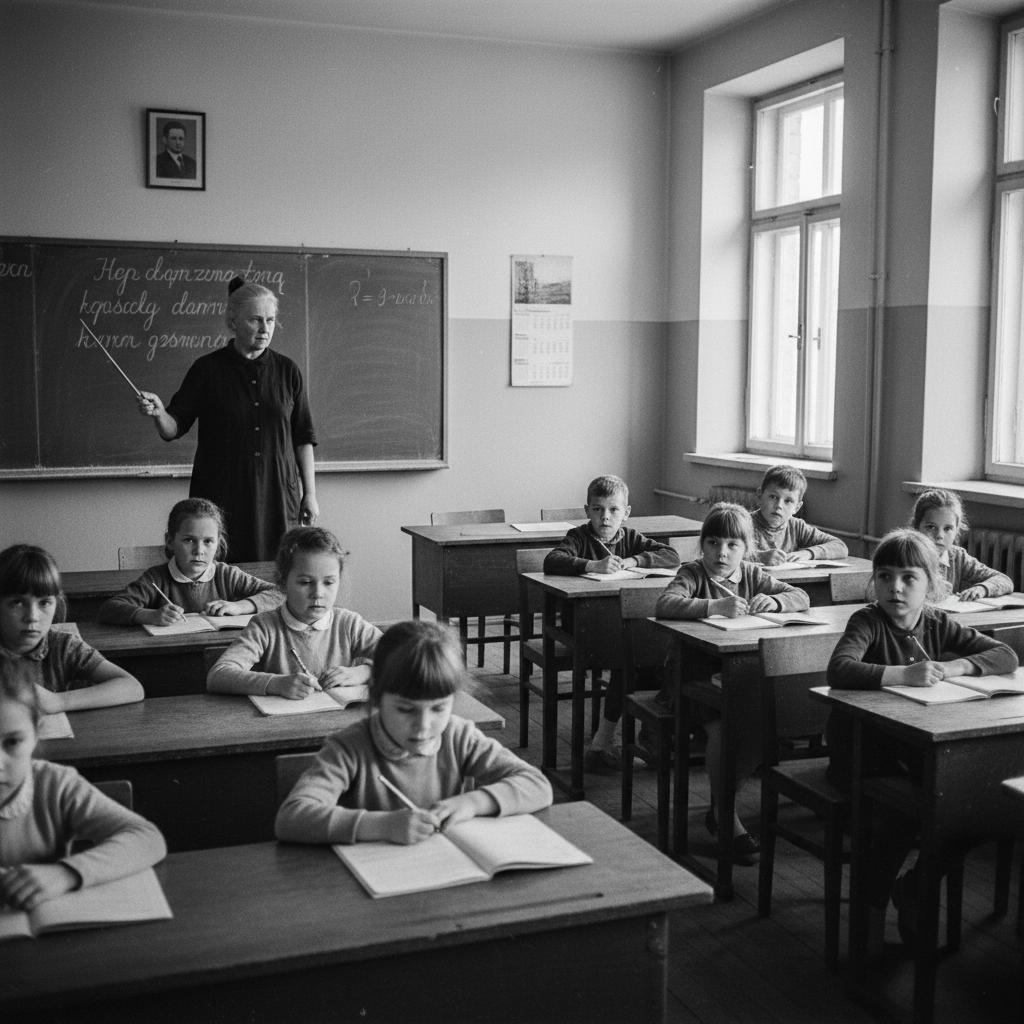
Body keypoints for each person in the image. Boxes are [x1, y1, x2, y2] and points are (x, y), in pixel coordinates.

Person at [826, 528, 1017, 950]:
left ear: (930, 584)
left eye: (908, 578)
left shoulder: (937, 622)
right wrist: (903, 675)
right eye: (885, 576)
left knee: (971, 803)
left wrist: (954, 668)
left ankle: (915, 886)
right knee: (903, 814)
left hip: (915, 750)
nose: (895, 588)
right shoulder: (867, 622)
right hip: (862, 754)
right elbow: (839, 669)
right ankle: (871, 915)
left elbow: (1005, 655)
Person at [275, 619, 552, 845]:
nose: (423, 726)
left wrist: (473, 803)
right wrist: (383, 826)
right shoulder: (349, 748)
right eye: (406, 710)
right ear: (377, 696)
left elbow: (537, 785)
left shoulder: (459, 737)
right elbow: (291, 818)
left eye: (438, 709)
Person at [655, 503, 810, 864]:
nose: (721, 553)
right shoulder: (692, 573)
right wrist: (712, 607)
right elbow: (665, 604)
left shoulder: (753, 574)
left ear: (746, 548)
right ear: (702, 545)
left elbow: (801, 596)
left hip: (739, 674)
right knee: (725, 728)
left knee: (763, 722)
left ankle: (720, 805)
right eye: (713, 543)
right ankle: (726, 814)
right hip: (692, 678)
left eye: (732, 545)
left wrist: (775, 601)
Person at [135, 276, 318, 562]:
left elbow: (303, 438)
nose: (265, 328)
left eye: (270, 320)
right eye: (255, 320)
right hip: (221, 496)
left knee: (276, 572)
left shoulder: (288, 371)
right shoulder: (207, 370)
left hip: (278, 496)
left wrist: (310, 494)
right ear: (233, 321)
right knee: (219, 571)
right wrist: (159, 413)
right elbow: (173, 428)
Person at [0, 663, 166, 911]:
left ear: (36, 733)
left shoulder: (55, 785)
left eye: (12, 742)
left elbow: (147, 838)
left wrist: (66, 873)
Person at [543, 474, 680, 773]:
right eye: (598, 509)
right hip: (582, 625)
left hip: (623, 624)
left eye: (613, 510)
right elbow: (552, 561)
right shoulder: (579, 537)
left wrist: (634, 561)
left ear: (626, 512)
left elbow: (671, 555)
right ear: (587, 510)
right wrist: (591, 565)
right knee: (628, 656)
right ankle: (606, 742)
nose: (605, 517)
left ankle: (643, 735)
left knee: (653, 652)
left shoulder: (631, 538)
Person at [207, 526, 380, 699]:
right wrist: (276, 684)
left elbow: (397, 657)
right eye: (305, 582)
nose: (318, 593)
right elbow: (218, 675)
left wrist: (363, 672)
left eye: (328, 583)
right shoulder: (264, 627)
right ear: (283, 583)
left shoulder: (350, 625)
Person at [0, 545, 144, 712]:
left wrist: (58, 701)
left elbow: (133, 687)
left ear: (57, 604)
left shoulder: (63, 646)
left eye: (44, 603)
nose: (32, 616)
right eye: (17, 603)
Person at [98, 498, 282, 626]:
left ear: (218, 544)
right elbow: (109, 609)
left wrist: (239, 606)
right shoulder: (156, 579)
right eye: (189, 540)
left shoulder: (227, 575)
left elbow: (282, 593)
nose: (199, 550)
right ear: (170, 541)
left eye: (208, 541)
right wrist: (150, 615)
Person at [910, 488, 1012, 600]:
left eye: (947, 529)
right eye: (931, 527)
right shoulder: (904, 555)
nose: (939, 535)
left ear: (957, 530)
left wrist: (981, 589)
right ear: (916, 526)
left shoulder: (958, 557)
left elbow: (1004, 580)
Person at [749, 464, 848, 565]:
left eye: (788, 501)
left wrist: (808, 553)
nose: (779, 506)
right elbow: (737, 554)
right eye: (773, 497)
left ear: (797, 508)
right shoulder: (744, 524)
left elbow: (840, 546)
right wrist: (759, 557)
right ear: (760, 496)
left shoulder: (797, 527)